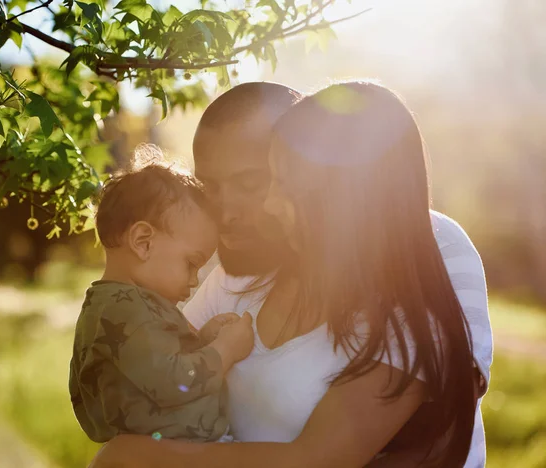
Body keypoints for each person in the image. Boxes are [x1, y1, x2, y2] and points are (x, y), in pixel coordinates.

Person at [89, 81, 492, 467]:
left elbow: (406, 443)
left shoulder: (432, 248)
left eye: (255, 182)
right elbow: (155, 379)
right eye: (209, 186)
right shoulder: (226, 268)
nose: (226, 212)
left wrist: (135, 455)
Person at [69, 153, 254, 443]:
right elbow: (172, 382)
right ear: (143, 242)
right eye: (191, 263)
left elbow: (151, 369)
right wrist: (224, 349)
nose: (194, 281)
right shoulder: (127, 309)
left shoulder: (111, 306)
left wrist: (202, 339)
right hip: (175, 455)